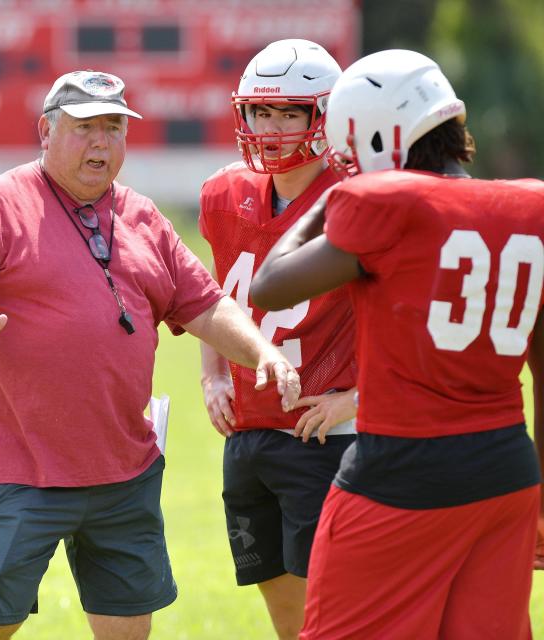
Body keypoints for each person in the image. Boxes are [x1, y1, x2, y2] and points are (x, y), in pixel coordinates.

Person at [0, 69, 301, 639]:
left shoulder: (146, 219)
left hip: (126, 472)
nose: (101, 142)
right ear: (45, 132)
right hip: (26, 470)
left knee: (126, 632)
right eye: (85, 127)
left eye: (114, 127)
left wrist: (261, 351)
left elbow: (205, 306)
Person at [250, 49, 544, 639]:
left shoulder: (383, 203)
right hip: (507, 472)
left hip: (400, 474)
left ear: (378, 137)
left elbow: (270, 285)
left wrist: (328, 202)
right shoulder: (531, 204)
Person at [197, 39, 357, 640]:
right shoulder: (223, 193)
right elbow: (214, 298)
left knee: (339, 618)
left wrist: (357, 398)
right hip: (249, 432)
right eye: (261, 112)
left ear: (327, 116)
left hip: (325, 437)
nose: (272, 128)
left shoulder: (357, 198)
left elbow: (404, 315)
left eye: (290, 112)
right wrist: (212, 374)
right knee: (288, 621)